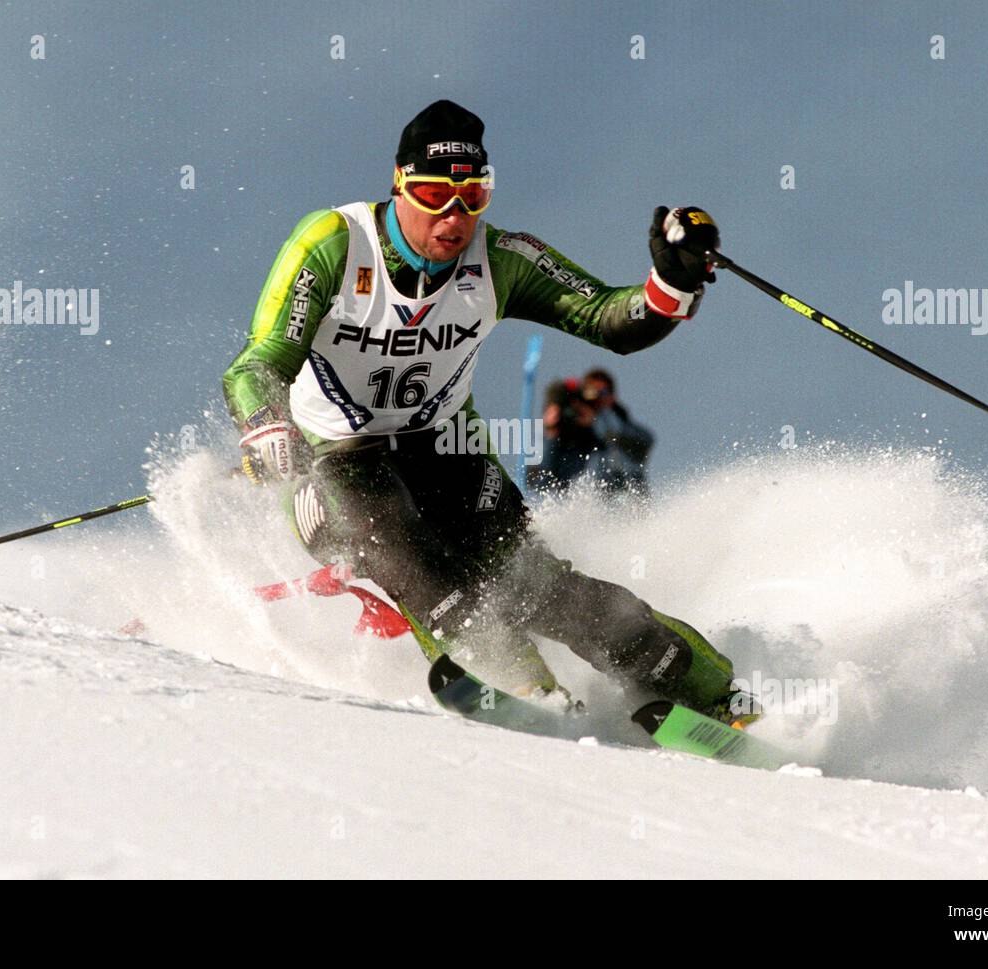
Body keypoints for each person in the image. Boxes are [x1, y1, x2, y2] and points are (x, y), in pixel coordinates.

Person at [222, 99, 743, 720]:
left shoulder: (498, 259)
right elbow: (258, 364)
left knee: (538, 588)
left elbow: (610, 319)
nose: (455, 214)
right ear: (400, 183)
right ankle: (523, 686)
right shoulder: (334, 244)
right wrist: (264, 425)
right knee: (397, 548)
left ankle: (711, 691)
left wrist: (672, 285)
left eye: (474, 196)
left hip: (443, 447)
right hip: (335, 460)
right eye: (438, 193)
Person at [582, 368, 655, 495]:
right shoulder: (578, 422)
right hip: (597, 486)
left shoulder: (618, 418)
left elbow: (647, 439)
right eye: (594, 392)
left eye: (603, 392)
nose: (599, 398)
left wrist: (616, 435)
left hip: (628, 481)